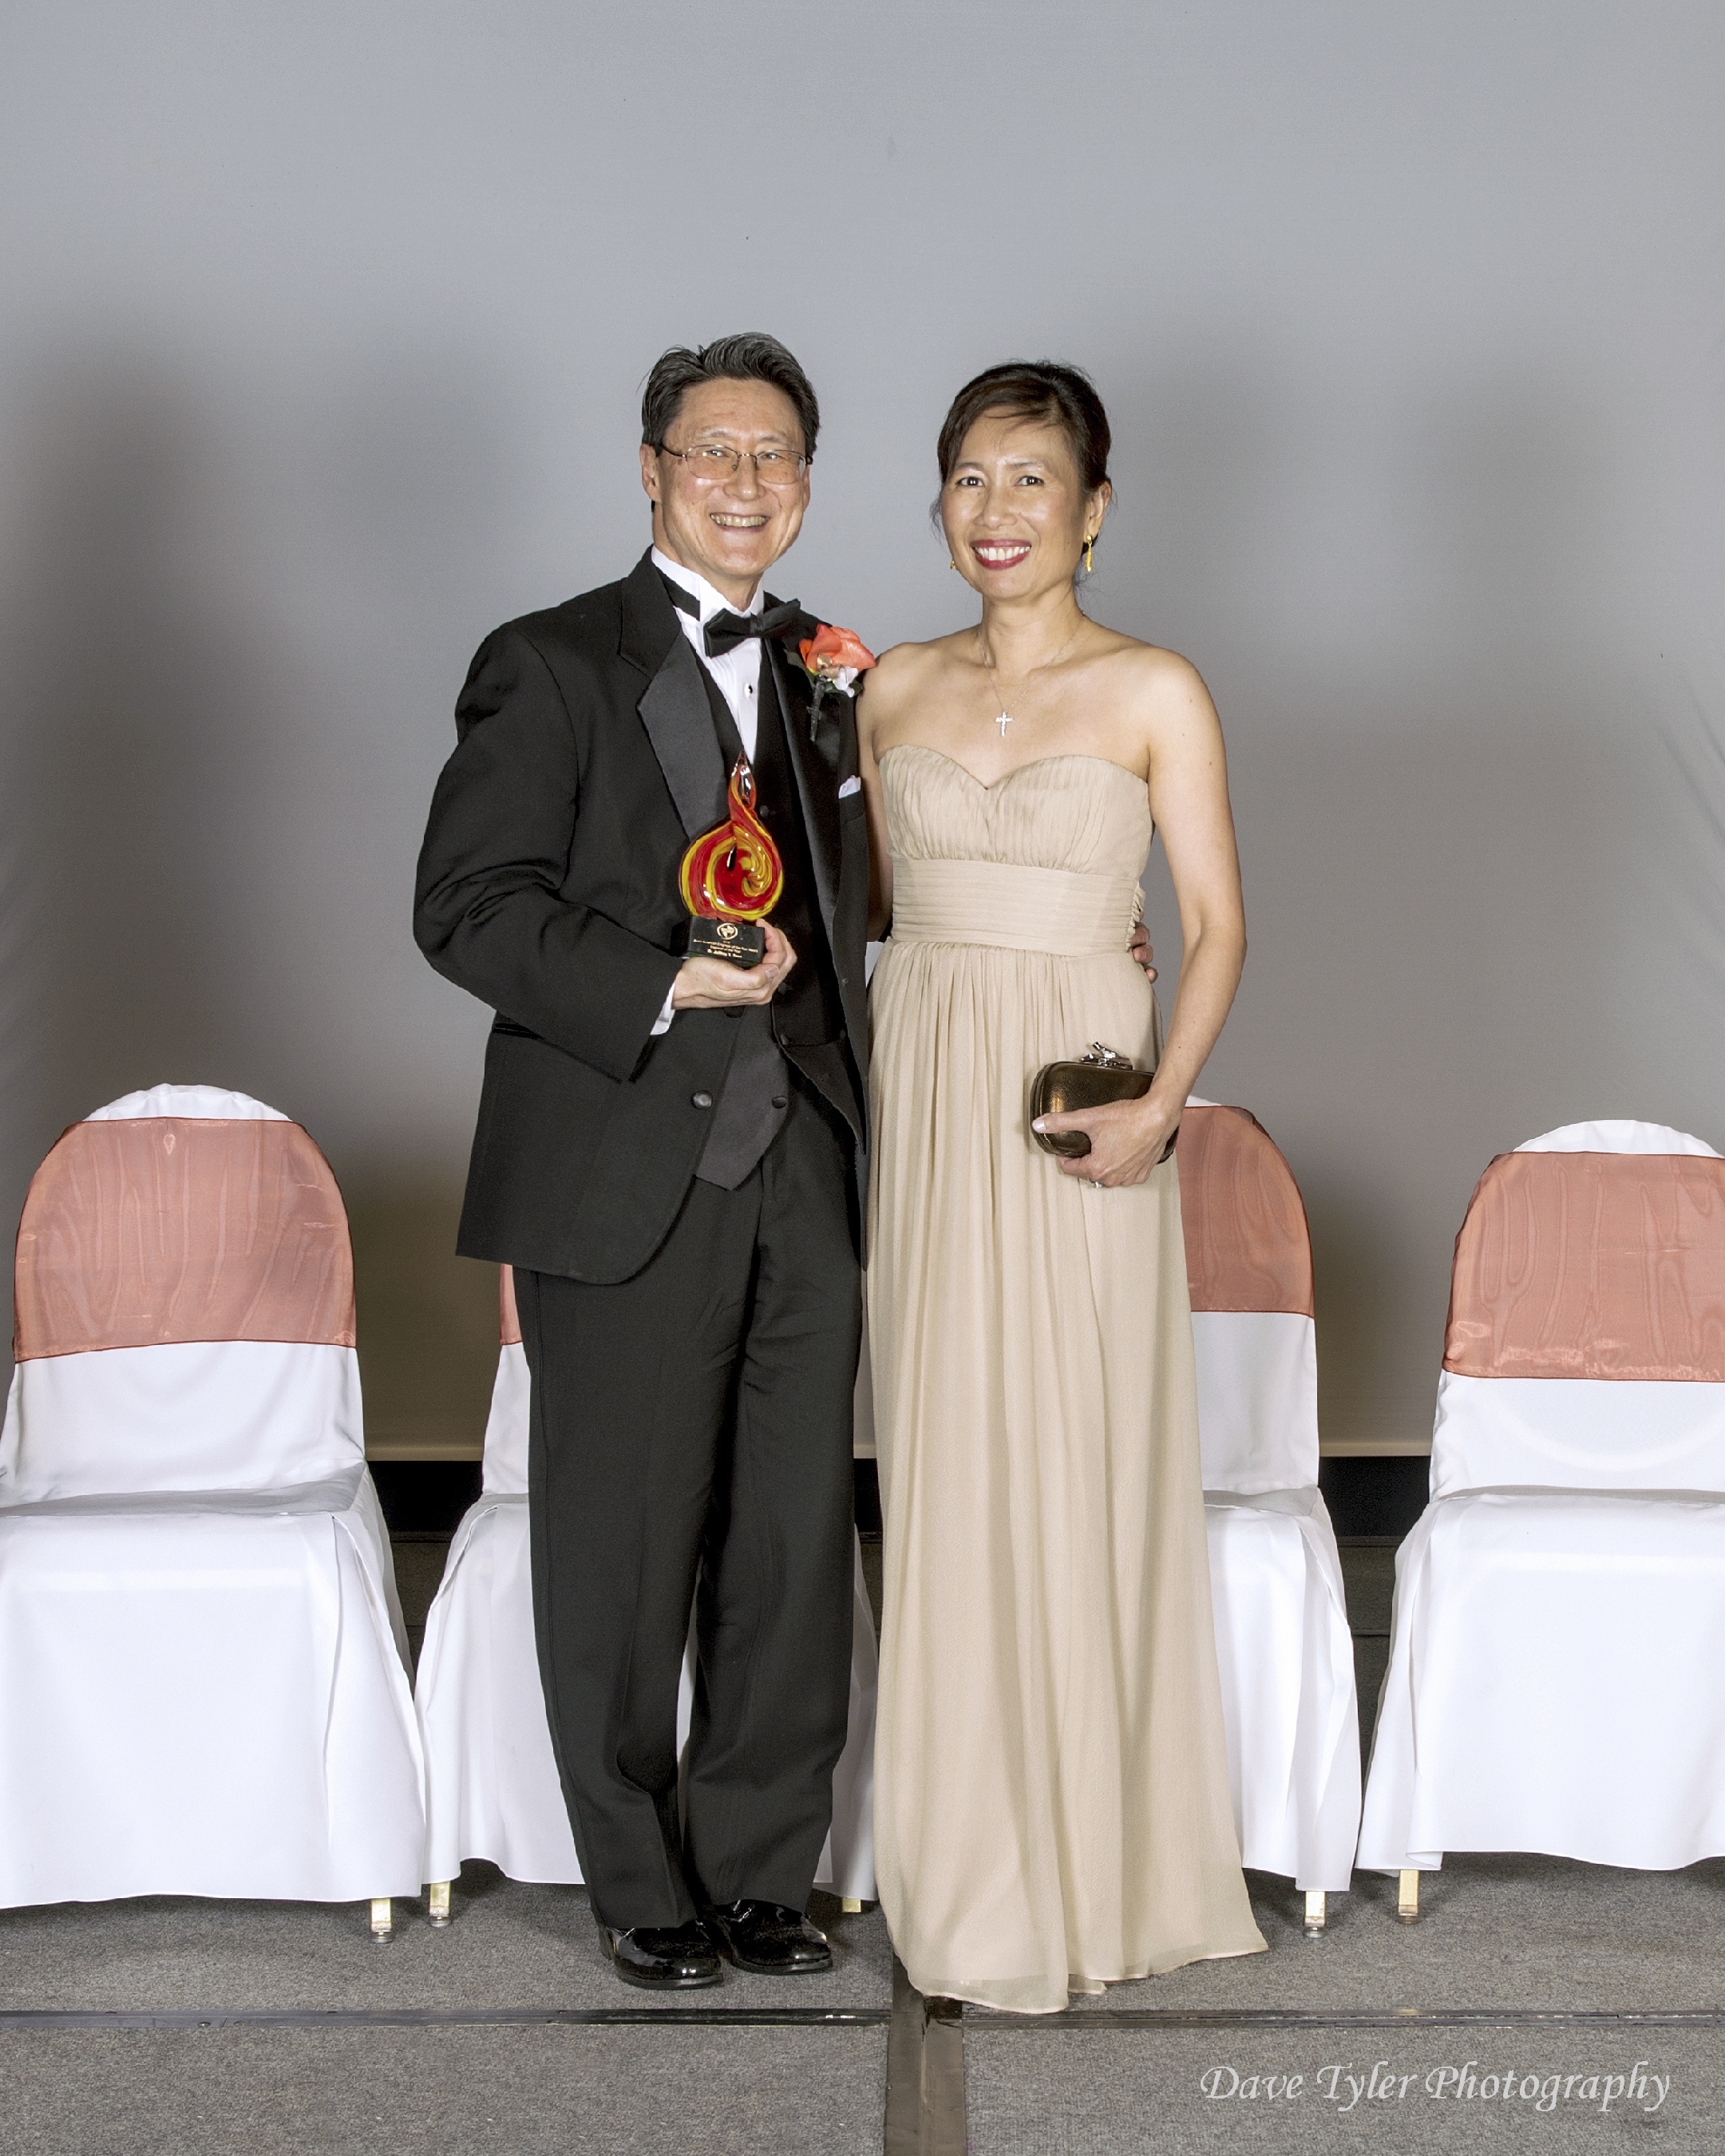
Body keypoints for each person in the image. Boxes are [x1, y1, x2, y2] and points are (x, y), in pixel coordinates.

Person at [413, 334, 872, 1992]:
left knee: (790, 1541)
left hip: (803, 1160)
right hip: (625, 1159)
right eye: (712, 452)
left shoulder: (827, 675)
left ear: (805, 480)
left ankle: (759, 1872)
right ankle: (636, 1877)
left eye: (774, 456)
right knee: (619, 1541)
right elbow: (464, 906)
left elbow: (873, 899)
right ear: (651, 469)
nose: (745, 482)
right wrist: (661, 981)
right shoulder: (546, 662)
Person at [858, 361, 1268, 2013]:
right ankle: (963, 1859)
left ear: (1093, 509)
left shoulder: (1155, 687)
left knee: (1082, 1444)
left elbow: (1218, 924)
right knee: (943, 1444)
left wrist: (1161, 1102)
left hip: (1079, 1104)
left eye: (1030, 478)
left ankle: (1099, 1863)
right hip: (926, 1088)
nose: (996, 509)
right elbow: (866, 905)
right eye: (968, 476)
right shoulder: (887, 686)